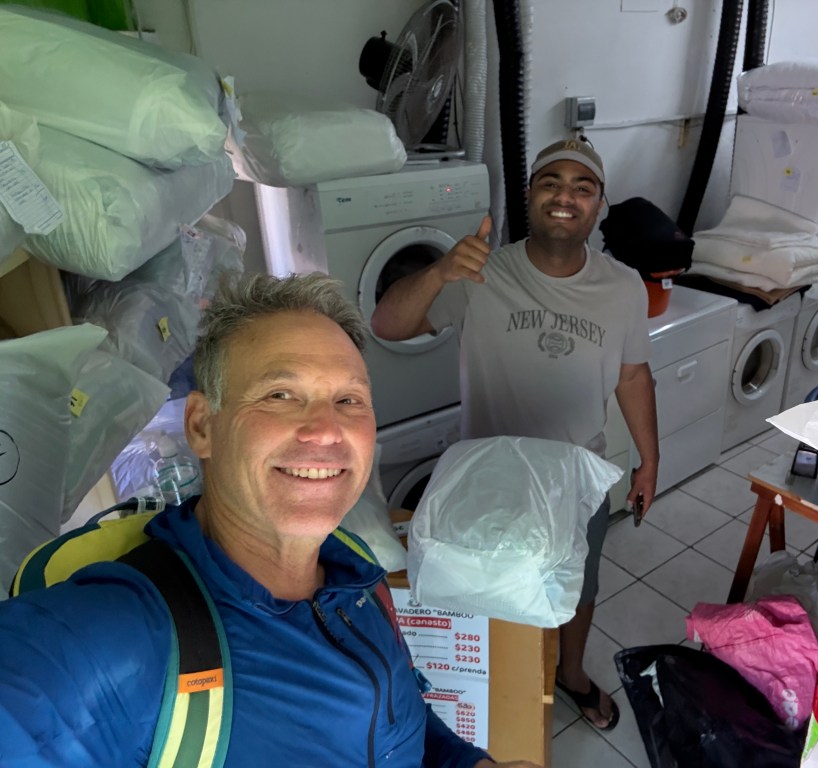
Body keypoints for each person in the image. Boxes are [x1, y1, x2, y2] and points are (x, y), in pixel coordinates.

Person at [0, 272, 540, 768]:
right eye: (280, 395)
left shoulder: (355, 571)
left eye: (349, 399)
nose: (326, 430)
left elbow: (400, 715)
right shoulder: (123, 635)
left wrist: (471, 765)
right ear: (202, 426)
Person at [372, 138, 659, 731]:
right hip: (489, 479)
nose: (565, 196)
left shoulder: (625, 286)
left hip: (576, 479)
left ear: (599, 205)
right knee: (482, 588)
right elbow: (386, 324)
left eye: (583, 187)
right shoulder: (478, 271)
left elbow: (633, 375)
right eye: (551, 182)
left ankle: (570, 672)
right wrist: (440, 270)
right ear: (529, 195)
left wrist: (649, 461)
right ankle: (497, 688)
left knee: (578, 587)